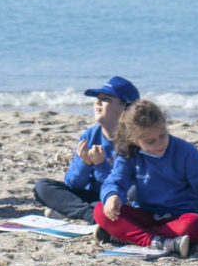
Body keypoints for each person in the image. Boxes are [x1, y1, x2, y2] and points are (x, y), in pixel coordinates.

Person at [94, 100, 198, 257]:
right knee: (101, 210)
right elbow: (116, 181)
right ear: (134, 140)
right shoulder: (130, 154)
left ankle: (128, 237)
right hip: (146, 215)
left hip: (180, 218)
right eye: (150, 141)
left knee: (197, 224)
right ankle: (159, 242)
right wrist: (112, 196)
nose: (160, 143)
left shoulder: (186, 153)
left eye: (163, 135)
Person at [29, 76, 137, 222]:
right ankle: (92, 215)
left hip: (120, 199)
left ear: (126, 108)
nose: (98, 102)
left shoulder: (137, 139)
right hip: (94, 198)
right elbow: (73, 184)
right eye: (98, 98)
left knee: (134, 194)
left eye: (106, 99)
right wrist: (84, 164)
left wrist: (100, 166)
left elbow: (128, 186)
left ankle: (84, 213)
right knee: (43, 187)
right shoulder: (90, 135)